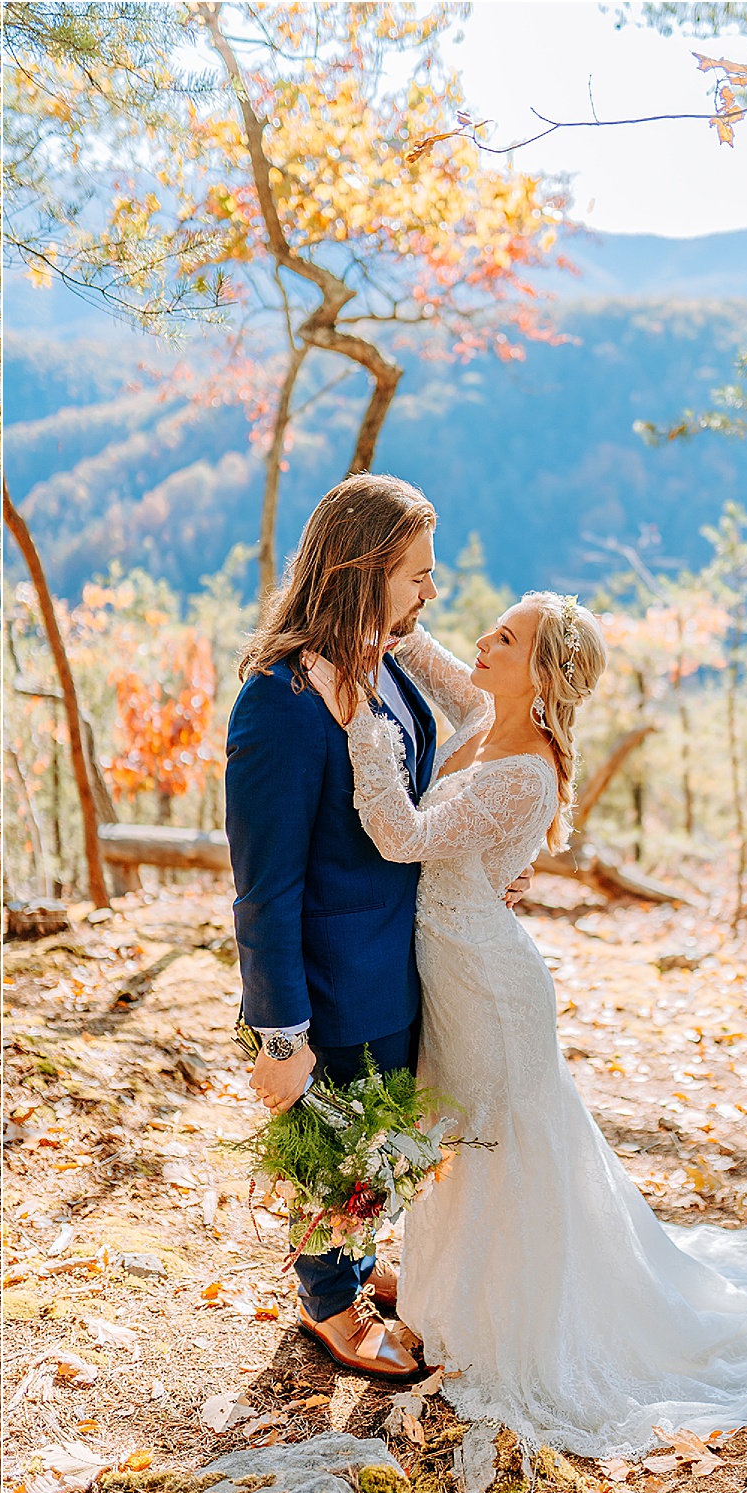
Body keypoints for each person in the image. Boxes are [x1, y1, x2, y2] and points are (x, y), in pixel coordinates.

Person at [298, 593, 747, 1454]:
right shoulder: (487, 714)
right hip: (453, 966)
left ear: (541, 675)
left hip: (485, 984)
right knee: (462, 1134)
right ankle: (450, 1287)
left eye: (504, 638)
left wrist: (361, 720)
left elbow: (401, 837)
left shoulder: (521, 771)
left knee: (495, 1141)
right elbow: (445, 669)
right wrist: (392, 623)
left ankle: (513, 1319)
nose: (483, 638)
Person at [225, 473, 463, 1382]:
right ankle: (326, 1300)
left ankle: (359, 1261)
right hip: (327, 975)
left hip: (396, 957)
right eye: (415, 575)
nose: (428, 593)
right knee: (335, 1141)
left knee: (379, 1132)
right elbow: (264, 889)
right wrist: (280, 1033)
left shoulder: (386, 666)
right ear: (363, 571)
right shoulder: (279, 705)